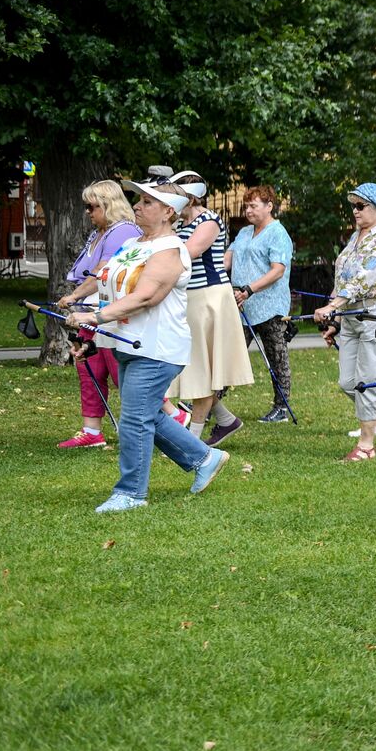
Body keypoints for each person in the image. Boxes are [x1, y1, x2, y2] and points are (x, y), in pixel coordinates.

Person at [65, 180, 230, 511]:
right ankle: (204, 457)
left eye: (147, 202)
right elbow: (107, 281)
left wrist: (95, 316)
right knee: (147, 415)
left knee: (135, 419)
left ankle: (131, 493)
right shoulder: (134, 244)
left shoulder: (170, 250)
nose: (137, 206)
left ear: (169, 211)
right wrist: (87, 322)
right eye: (138, 201)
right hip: (128, 343)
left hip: (158, 348)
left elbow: (147, 296)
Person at [313, 183, 376, 462]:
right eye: (353, 206)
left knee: (366, 382)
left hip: (375, 314)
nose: (354, 211)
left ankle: (366, 445)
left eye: (360, 206)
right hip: (350, 315)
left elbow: (364, 278)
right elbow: (343, 278)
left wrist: (332, 306)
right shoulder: (356, 237)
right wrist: (335, 319)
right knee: (347, 382)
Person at [163, 171, 254, 446]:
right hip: (189, 299)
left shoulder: (209, 220)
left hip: (210, 299)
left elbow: (186, 253)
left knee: (202, 372)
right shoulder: (179, 224)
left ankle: (192, 440)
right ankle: (226, 421)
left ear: (190, 196)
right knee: (194, 368)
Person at [55, 180, 141, 448]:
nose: (88, 212)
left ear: (108, 205)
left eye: (92, 206)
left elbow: (102, 273)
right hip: (89, 311)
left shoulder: (122, 230)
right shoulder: (100, 232)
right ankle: (92, 431)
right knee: (87, 365)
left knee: (119, 370)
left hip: (107, 310)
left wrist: (74, 295)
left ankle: (168, 418)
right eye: (87, 206)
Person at [227, 185, 294, 423]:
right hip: (241, 304)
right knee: (230, 353)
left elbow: (277, 270)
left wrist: (249, 289)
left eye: (253, 206)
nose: (248, 210)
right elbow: (229, 258)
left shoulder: (278, 233)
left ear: (269, 206)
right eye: (246, 206)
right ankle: (210, 400)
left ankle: (281, 407)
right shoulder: (244, 232)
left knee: (276, 355)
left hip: (269, 305)